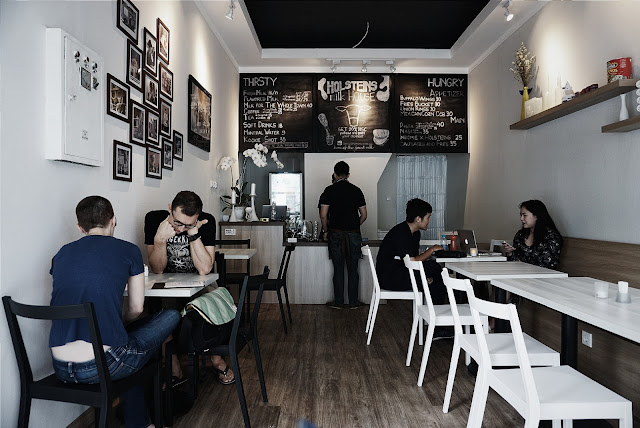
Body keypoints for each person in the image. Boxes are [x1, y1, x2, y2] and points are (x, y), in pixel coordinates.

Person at [50, 196, 180, 428]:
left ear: (80, 227)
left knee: (127, 340)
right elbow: (136, 308)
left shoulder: (61, 254)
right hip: (104, 364)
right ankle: (142, 422)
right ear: (113, 220)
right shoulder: (128, 250)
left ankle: (140, 422)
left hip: (60, 367)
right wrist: (120, 322)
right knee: (169, 317)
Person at [144, 191, 234, 385]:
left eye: (188, 224)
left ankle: (216, 359)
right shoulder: (154, 220)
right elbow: (157, 268)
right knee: (158, 309)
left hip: (200, 284)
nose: (180, 228)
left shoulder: (206, 221)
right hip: (168, 285)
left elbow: (204, 269)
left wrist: (194, 233)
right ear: (170, 208)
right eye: (177, 222)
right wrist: (159, 240)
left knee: (211, 300)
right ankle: (174, 366)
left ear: (197, 217)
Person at [375, 198, 453, 339]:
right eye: (428, 217)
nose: (429, 221)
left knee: (435, 280)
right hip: (390, 278)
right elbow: (411, 261)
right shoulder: (401, 232)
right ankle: (442, 324)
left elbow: (414, 261)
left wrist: (423, 276)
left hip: (401, 273)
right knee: (435, 269)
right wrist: (431, 250)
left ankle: (438, 325)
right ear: (418, 219)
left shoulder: (415, 233)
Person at [319, 161, 367, 309]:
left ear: (334, 174)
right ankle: (353, 302)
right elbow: (364, 215)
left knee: (338, 269)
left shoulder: (329, 190)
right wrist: (354, 226)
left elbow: (323, 214)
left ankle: (338, 302)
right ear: (348, 175)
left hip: (336, 234)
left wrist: (326, 231)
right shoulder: (357, 190)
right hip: (354, 235)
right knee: (353, 269)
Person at [503, 199, 563, 269]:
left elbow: (547, 264)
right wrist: (510, 253)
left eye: (524, 215)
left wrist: (521, 264)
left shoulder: (551, 236)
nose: (521, 218)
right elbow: (514, 262)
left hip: (542, 274)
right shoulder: (521, 235)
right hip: (521, 272)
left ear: (536, 216)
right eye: (521, 215)